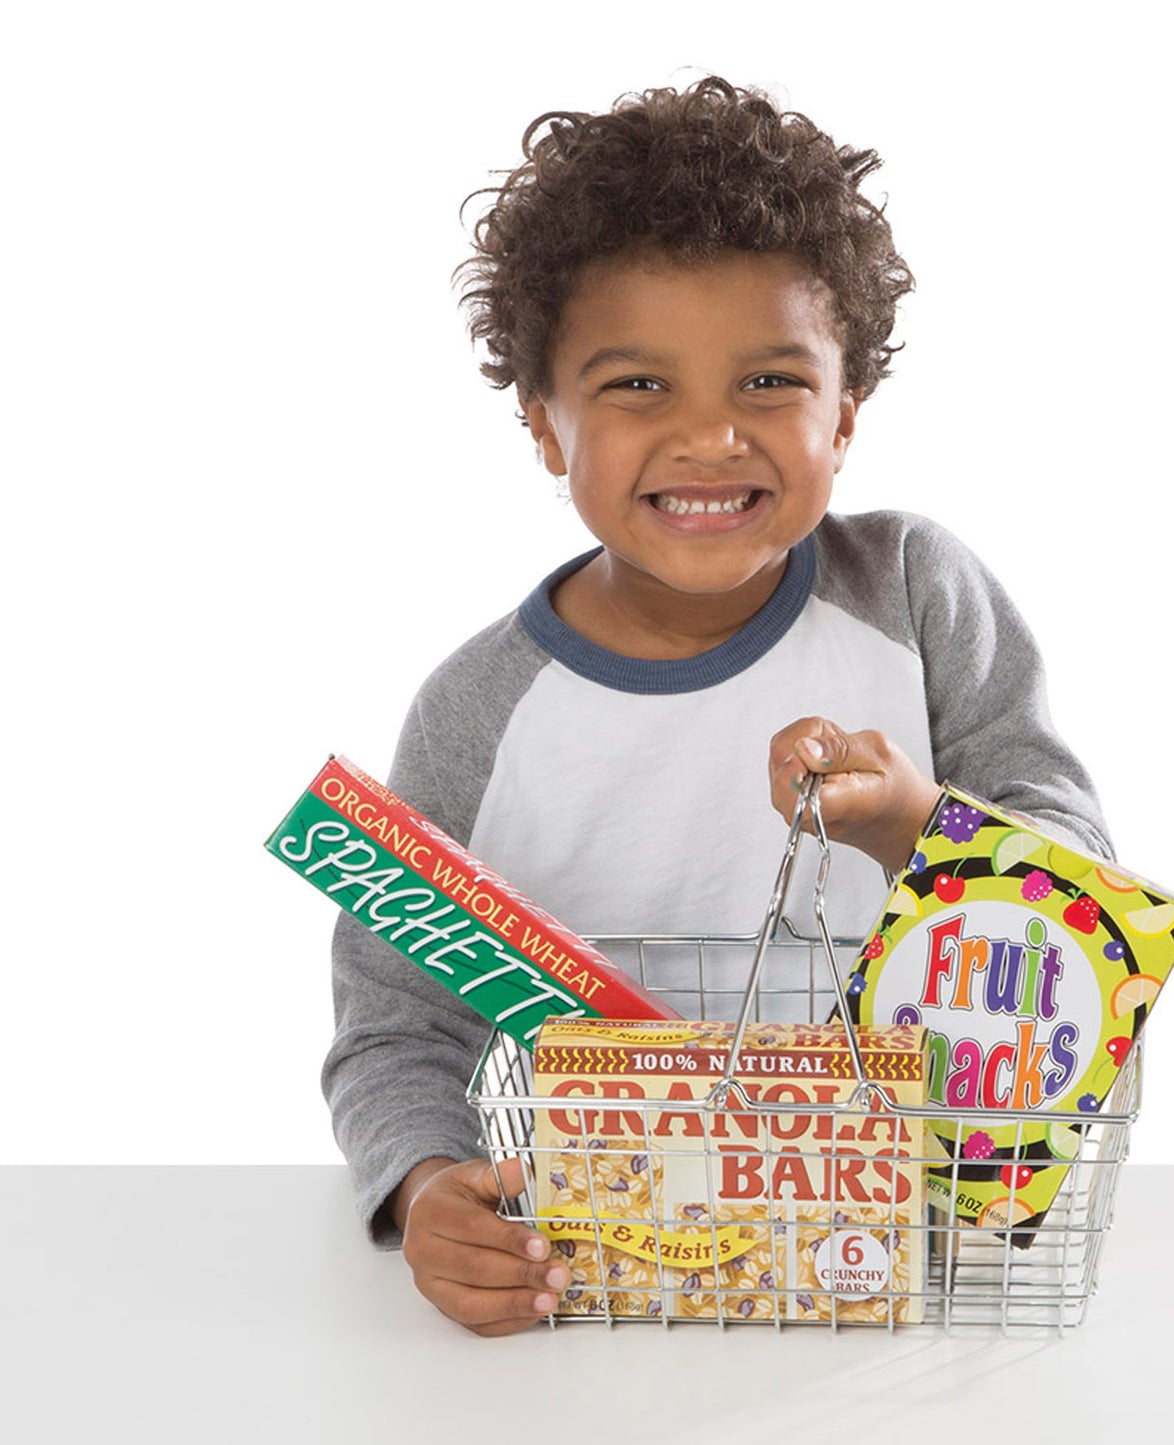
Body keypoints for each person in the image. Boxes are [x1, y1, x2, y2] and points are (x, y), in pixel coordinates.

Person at [323, 76, 1112, 1337]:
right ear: (543, 424)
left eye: (767, 383)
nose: (707, 437)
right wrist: (425, 1186)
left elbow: (1086, 906)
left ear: (843, 414)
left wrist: (909, 821)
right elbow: (399, 1023)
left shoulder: (915, 596)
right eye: (637, 385)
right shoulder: (480, 711)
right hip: (595, 1285)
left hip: (916, 1271)